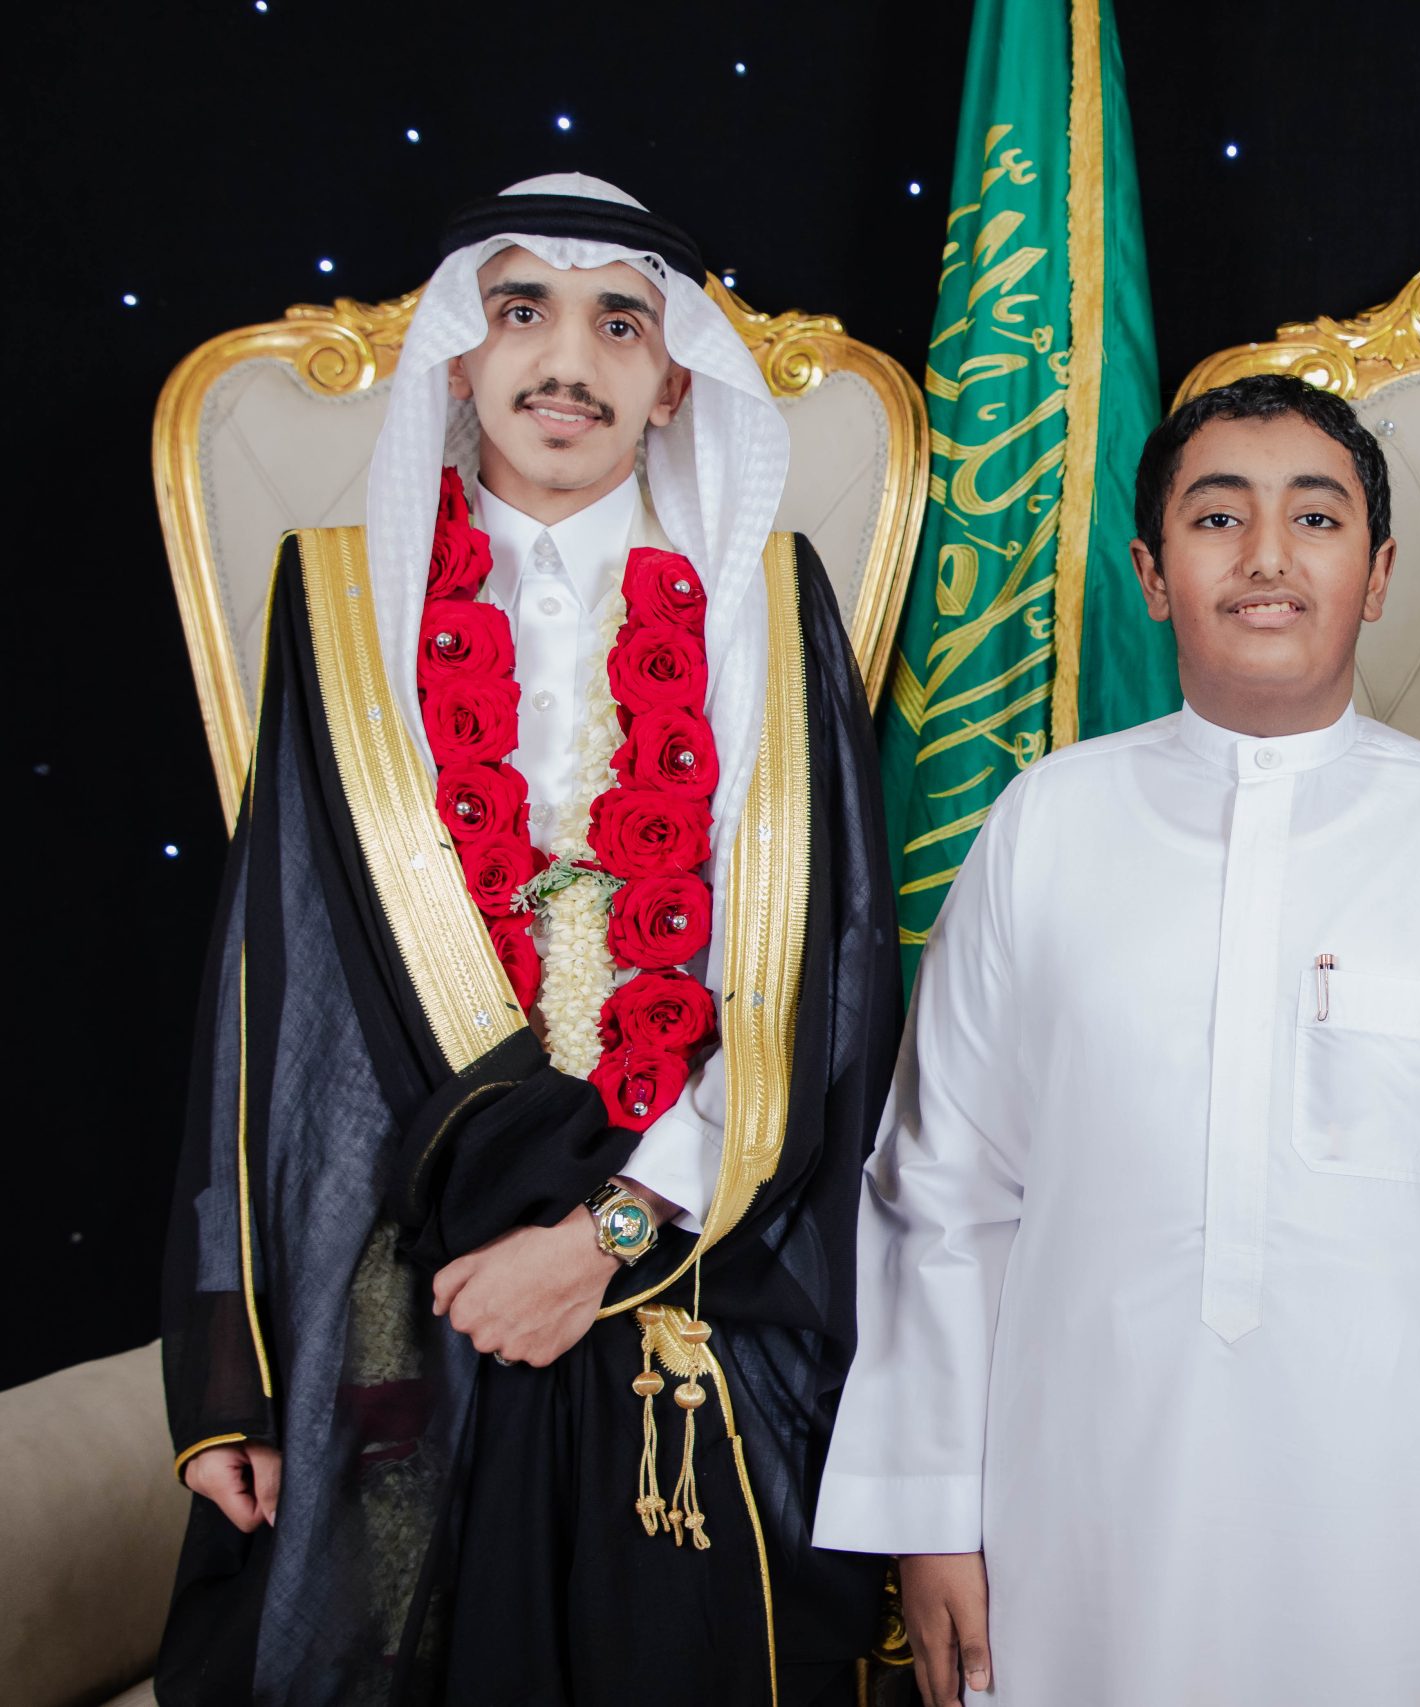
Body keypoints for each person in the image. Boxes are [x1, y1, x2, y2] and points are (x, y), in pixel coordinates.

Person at [814, 374, 1420, 1706]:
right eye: (1216, 518)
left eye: (1315, 518)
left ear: (1378, 573)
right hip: (1081, 1521)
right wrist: (930, 1511)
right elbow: (944, 1194)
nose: (1265, 558)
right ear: (1150, 574)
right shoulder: (1045, 829)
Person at [157, 174, 901, 1706]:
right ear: (460, 353)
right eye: (522, 313)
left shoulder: (769, 602)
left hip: (691, 1233)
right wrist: (231, 1372)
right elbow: (270, 992)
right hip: (412, 1258)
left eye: (620, 323)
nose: (568, 361)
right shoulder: (337, 602)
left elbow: (819, 976)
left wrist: (610, 1229)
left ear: (675, 376)